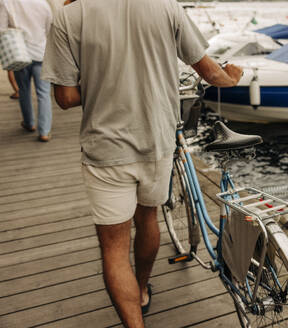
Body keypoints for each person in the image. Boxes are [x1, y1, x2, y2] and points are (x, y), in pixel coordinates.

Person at [41, 0, 242, 327]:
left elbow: (64, 98)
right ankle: (143, 287)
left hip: (105, 150)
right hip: (157, 142)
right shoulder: (167, 7)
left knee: (114, 248)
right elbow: (210, 73)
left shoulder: (68, 15)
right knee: (148, 218)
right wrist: (231, 77)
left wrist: (98, 82)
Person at [0, 0, 53, 141]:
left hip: (20, 54)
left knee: (23, 90)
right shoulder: (43, 4)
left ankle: (29, 123)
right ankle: (44, 131)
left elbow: (2, 29)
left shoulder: (7, 3)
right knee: (44, 93)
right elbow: (49, 30)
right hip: (41, 53)